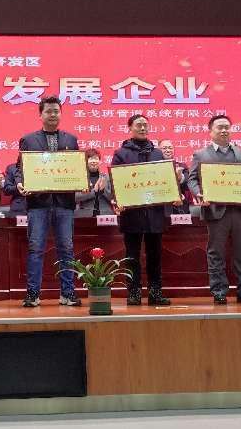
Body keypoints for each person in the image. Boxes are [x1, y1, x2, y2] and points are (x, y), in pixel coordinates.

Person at [14, 95, 81, 307]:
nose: (53, 115)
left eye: (56, 111)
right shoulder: (29, 140)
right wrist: (19, 182)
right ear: (40, 115)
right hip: (38, 204)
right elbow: (20, 168)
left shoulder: (71, 140)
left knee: (66, 249)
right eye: (48, 111)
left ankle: (67, 293)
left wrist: (81, 180)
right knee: (36, 249)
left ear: (61, 114)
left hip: (64, 204)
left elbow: (77, 168)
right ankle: (33, 294)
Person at [187, 115, 241, 304]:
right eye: (220, 127)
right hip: (216, 211)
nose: (224, 130)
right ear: (210, 131)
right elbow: (192, 179)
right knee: (216, 252)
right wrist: (199, 193)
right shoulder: (201, 154)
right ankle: (219, 290)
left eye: (227, 127)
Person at [110, 114, 174, 306]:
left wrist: (173, 192)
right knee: (132, 256)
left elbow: (165, 180)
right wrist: (118, 199)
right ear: (130, 128)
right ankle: (134, 292)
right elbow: (116, 181)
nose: (143, 128)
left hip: (154, 213)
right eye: (138, 125)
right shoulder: (121, 154)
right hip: (132, 214)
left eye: (145, 125)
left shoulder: (158, 154)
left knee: (155, 256)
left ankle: (155, 292)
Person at [75, 149, 113, 217]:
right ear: (85, 161)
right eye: (90, 159)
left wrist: (103, 190)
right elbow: (76, 197)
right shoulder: (81, 178)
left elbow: (113, 198)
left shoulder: (107, 177)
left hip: (106, 214)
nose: (93, 161)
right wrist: (94, 192)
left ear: (99, 161)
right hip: (85, 214)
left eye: (96, 159)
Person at [159, 139, 192, 213]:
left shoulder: (181, 166)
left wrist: (179, 177)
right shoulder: (154, 168)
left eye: (170, 148)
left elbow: (187, 181)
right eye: (164, 148)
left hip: (180, 209)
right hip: (160, 209)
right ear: (158, 150)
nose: (168, 150)